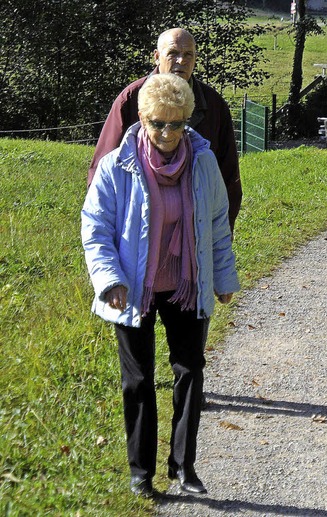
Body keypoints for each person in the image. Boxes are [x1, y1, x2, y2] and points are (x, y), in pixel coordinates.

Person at [81, 73, 240, 497]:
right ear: (143, 119)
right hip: (133, 288)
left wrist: (223, 278)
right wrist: (110, 278)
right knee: (138, 381)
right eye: (157, 123)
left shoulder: (203, 162)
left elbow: (217, 226)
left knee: (190, 372)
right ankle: (141, 473)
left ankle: (184, 468)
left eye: (176, 123)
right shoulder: (118, 165)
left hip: (187, 283)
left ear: (187, 119)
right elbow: (96, 228)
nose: (167, 133)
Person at [88, 28, 242, 232]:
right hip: (138, 228)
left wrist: (224, 228)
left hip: (196, 227)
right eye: (173, 53)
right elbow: (103, 170)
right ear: (156, 56)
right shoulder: (131, 100)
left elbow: (228, 174)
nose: (181, 61)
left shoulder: (213, 104)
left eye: (188, 54)